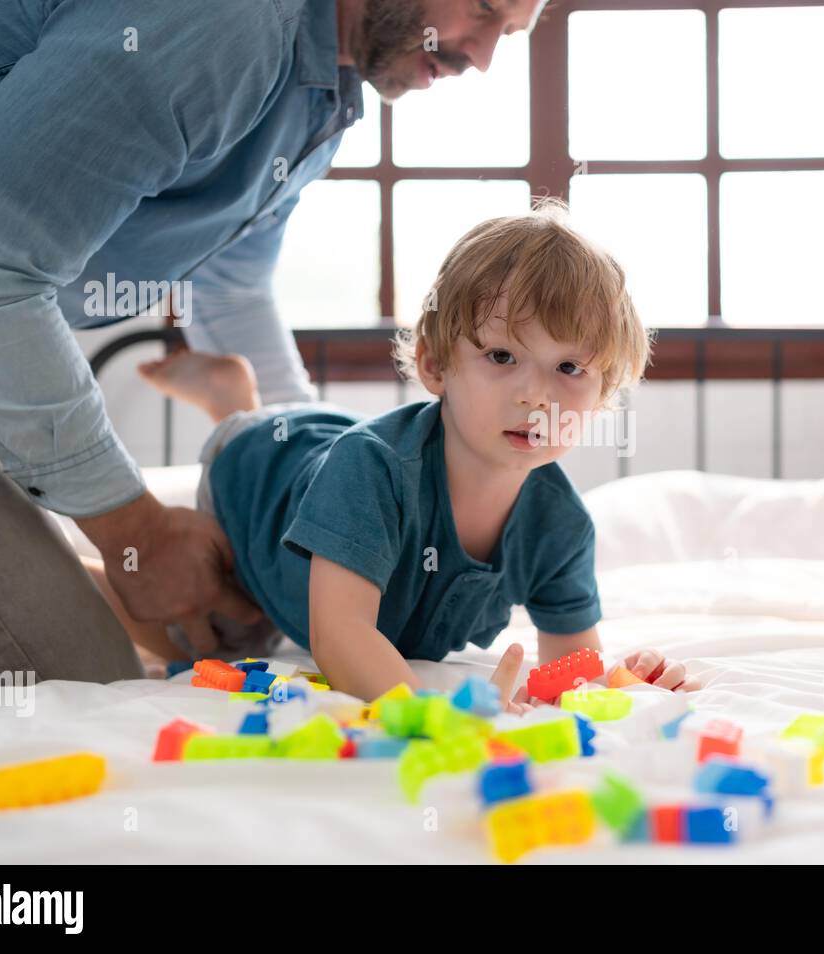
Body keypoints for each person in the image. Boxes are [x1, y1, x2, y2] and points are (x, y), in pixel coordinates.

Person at [0, 0, 545, 688]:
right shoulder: (233, 21)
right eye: (485, 8)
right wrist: (135, 530)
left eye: (512, 33)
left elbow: (231, 290)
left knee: (238, 620)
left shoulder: (321, 96)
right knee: (76, 681)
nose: (485, 55)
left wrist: (331, 470)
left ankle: (219, 426)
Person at [86, 202, 704, 709]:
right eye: (501, 357)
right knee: (224, 635)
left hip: (334, 448)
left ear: (603, 395)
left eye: (569, 368)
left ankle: (238, 395)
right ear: (435, 366)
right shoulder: (373, 471)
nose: (535, 395)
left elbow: (571, 673)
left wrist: (623, 685)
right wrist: (425, 714)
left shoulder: (560, 525)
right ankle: (234, 409)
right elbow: (341, 634)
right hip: (257, 477)